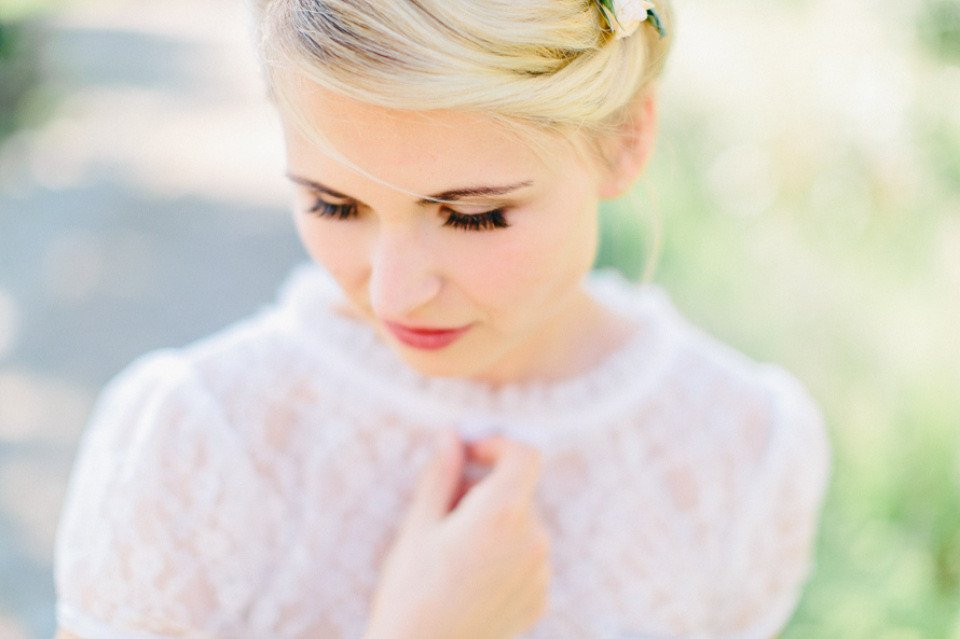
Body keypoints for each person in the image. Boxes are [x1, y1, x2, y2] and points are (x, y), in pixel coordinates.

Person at [53, 0, 830, 637]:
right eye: (334, 204)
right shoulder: (197, 435)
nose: (394, 294)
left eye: (474, 217)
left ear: (627, 140)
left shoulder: (743, 445)